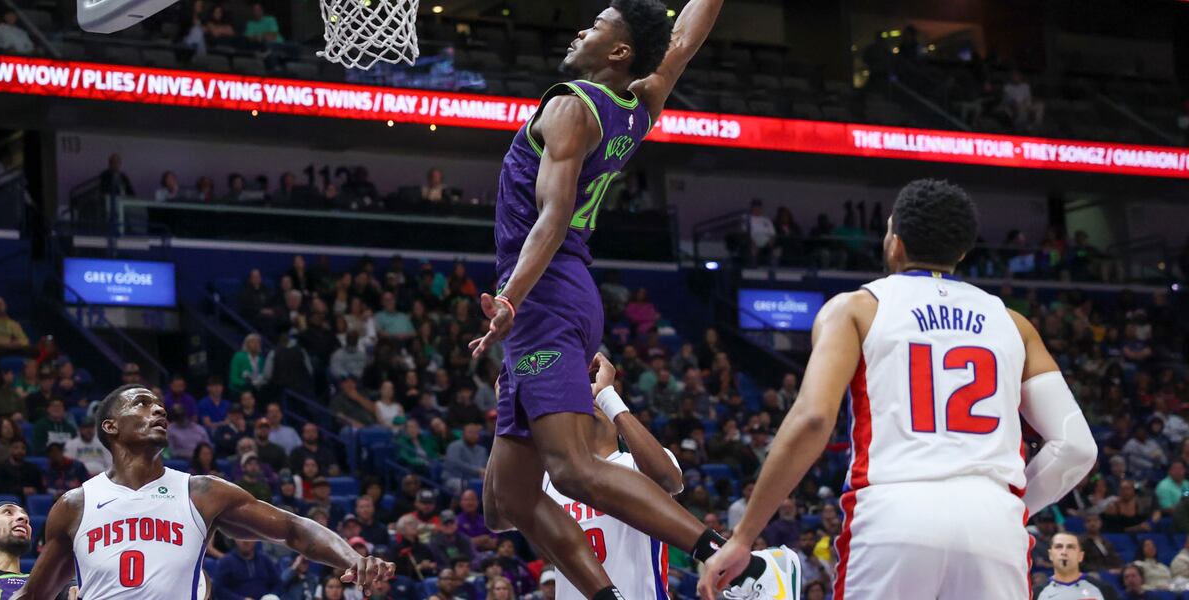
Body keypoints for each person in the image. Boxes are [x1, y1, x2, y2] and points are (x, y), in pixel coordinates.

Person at [468, 5, 796, 593]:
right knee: (513, 498)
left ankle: (739, 567)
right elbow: (683, 41)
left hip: (543, 292)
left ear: (620, 51)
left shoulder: (570, 107)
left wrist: (510, 297)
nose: (580, 30)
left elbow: (553, 216)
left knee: (574, 470)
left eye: (595, 25)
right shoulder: (638, 105)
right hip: (560, 290)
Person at [702, 180, 1098, 600]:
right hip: (994, 521)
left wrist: (744, 535)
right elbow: (1076, 447)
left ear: (896, 243)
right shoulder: (1014, 324)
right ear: (962, 252)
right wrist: (1010, 504)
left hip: (894, 513)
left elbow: (814, 418)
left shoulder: (856, 308)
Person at [14, 384, 395, 599]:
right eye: (142, 404)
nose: (159, 410)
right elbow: (34, 596)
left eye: (160, 406)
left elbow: (293, 528)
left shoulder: (200, 492)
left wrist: (352, 558)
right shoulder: (75, 505)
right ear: (110, 427)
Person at [546, 354, 775, 600]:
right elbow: (509, 510)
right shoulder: (554, 477)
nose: (589, 398)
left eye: (597, 399)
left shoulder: (635, 464)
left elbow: (669, 480)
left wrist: (607, 395)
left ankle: (760, 570)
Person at [1033, 532, 1117, 599]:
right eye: (1059, 547)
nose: (1064, 552)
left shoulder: (1104, 589)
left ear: (1080, 556)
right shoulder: (1036, 593)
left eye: (1070, 547)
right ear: (1050, 555)